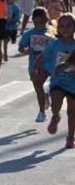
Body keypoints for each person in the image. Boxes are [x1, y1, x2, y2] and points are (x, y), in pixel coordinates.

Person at [34, 12, 75, 148]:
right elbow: (41, 57)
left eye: (69, 26)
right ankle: (55, 116)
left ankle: (70, 137)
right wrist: (36, 70)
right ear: (58, 29)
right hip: (58, 81)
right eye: (62, 26)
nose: (65, 29)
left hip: (73, 83)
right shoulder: (55, 45)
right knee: (56, 101)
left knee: (72, 111)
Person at [17, 6, 53, 122]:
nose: (39, 25)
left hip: (49, 64)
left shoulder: (52, 32)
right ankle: (43, 105)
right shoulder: (29, 34)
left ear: (46, 20)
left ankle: (42, 111)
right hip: (34, 64)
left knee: (53, 85)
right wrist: (26, 51)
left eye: (41, 22)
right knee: (38, 87)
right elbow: (21, 48)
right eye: (36, 23)